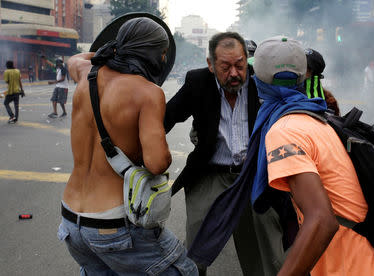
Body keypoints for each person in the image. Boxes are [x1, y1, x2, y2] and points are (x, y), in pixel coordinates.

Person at [59, 17, 198, 275]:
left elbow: (75, 58)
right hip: (114, 224)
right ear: (157, 55)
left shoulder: (84, 73)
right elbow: (157, 162)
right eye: (163, 53)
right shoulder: (147, 93)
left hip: (71, 222)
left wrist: (114, 48)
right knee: (184, 271)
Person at [251, 36, 374, 276]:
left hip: (354, 268)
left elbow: (321, 220)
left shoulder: (285, 131)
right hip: (372, 261)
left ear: (259, 81)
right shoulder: (315, 115)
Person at [164, 32, 286, 276]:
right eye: (225, 66)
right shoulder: (197, 82)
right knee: (196, 251)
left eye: (240, 65)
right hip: (210, 175)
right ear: (211, 65)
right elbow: (163, 119)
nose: (234, 73)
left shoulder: (261, 82)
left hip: (254, 176)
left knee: (266, 254)